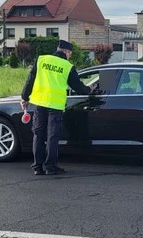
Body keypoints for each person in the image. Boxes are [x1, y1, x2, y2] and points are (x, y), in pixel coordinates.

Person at [19, 40, 92, 175]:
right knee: (52, 136)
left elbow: (30, 79)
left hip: (40, 103)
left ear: (58, 48)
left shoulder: (41, 60)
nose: (70, 56)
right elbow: (77, 86)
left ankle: (37, 167)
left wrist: (24, 97)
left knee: (38, 135)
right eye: (70, 53)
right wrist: (90, 90)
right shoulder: (67, 66)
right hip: (55, 106)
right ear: (67, 52)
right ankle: (50, 167)